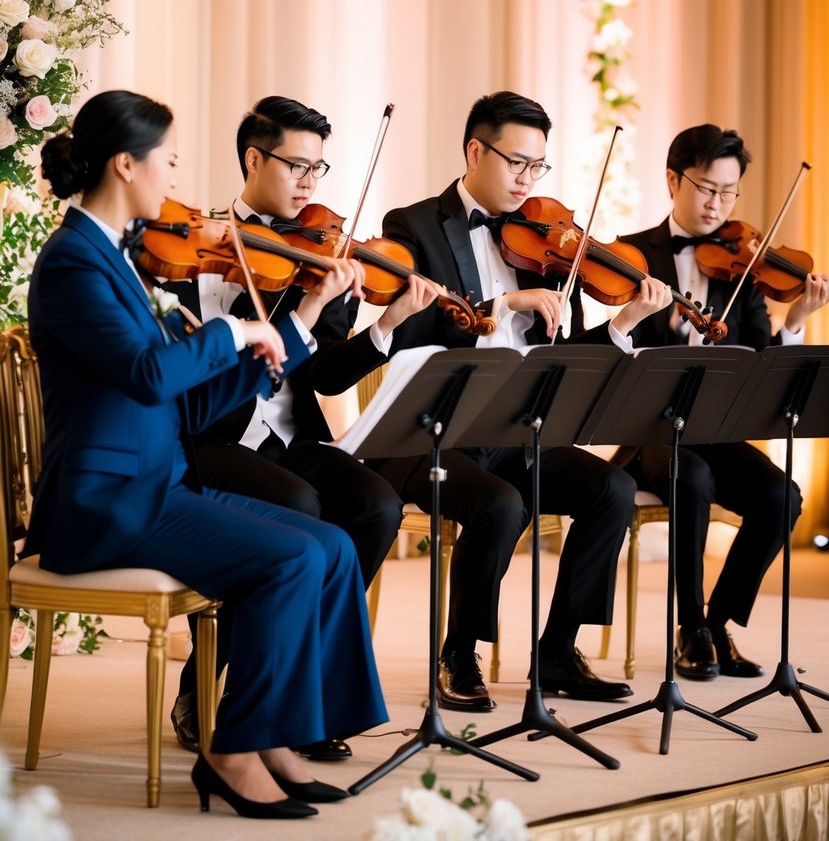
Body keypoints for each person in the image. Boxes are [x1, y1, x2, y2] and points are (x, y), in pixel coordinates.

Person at [24, 90, 387, 818]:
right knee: (287, 560)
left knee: (331, 545)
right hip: (103, 504)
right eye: (170, 162)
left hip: (156, 482)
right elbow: (148, 373)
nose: (176, 179)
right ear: (127, 164)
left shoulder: (120, 260)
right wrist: (229, 334)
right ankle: (230, 751)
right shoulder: (73, 264)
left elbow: (186, 404)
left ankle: (284, 733)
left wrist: (286, 332)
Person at [369, 91, 674, 710]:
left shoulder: (546, 241)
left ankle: (558, 651)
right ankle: (458, 653)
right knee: (501, 506)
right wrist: (501, 307)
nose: (527, 180)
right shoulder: (414, 225)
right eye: (516, 163)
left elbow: (572, 349)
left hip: (518, 428)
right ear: (475, 151)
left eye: (538, 167)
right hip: (432, 433)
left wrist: (627, 322)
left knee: (609, 490)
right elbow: (409, 334)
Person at [164, 95, 438, 755]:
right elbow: (183, 375)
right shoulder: (192, 245)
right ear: (254, 159)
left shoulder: (322, 253)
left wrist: (386, 325)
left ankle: (298, 691)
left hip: (290, 434)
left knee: (375, 504)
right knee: (299, 505)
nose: (310, 183)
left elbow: (325, 378)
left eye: (320, 169)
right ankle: (210, 686)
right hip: (212, 438)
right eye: (297, 166)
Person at [618, 124, 829, 681]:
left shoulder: (747, 266)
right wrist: (643, 323)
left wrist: (796, 322)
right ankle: (688, 627)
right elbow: (615, 358)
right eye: (707, 188)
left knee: (781, 496)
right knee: (692, 476)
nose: (718, 204)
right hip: (653, 436)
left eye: (730, 191)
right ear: (672, 180)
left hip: (718, 433)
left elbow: (762, 364)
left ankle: (717, 623)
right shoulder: (634, 255)